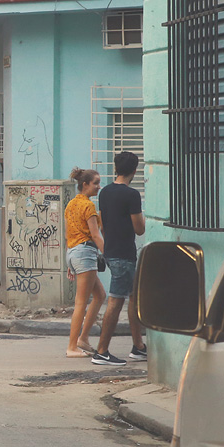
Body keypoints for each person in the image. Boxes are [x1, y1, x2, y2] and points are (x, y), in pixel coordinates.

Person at [95, 152, 148, 364]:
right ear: (134, 171)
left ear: (116, 167)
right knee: (116, 301)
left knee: (133, 298)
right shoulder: (132, 195)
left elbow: (103, 223)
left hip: (111, 250)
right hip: (124, 253)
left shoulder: (105, 192)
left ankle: (139, 346)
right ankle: (101, 351)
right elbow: (140, 229)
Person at [64, 167, 110, 361]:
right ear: (85, 185)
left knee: (99, 295)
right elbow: (94, 234)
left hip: (74, 252)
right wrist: (110, 253)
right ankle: (72, 346)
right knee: (81, 302)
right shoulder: (88, 206)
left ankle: (83, 339)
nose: (99, 187)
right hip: (84, 252)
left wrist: (71, 262)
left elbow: (70, 233)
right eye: (96, 183)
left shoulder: (71, 204)